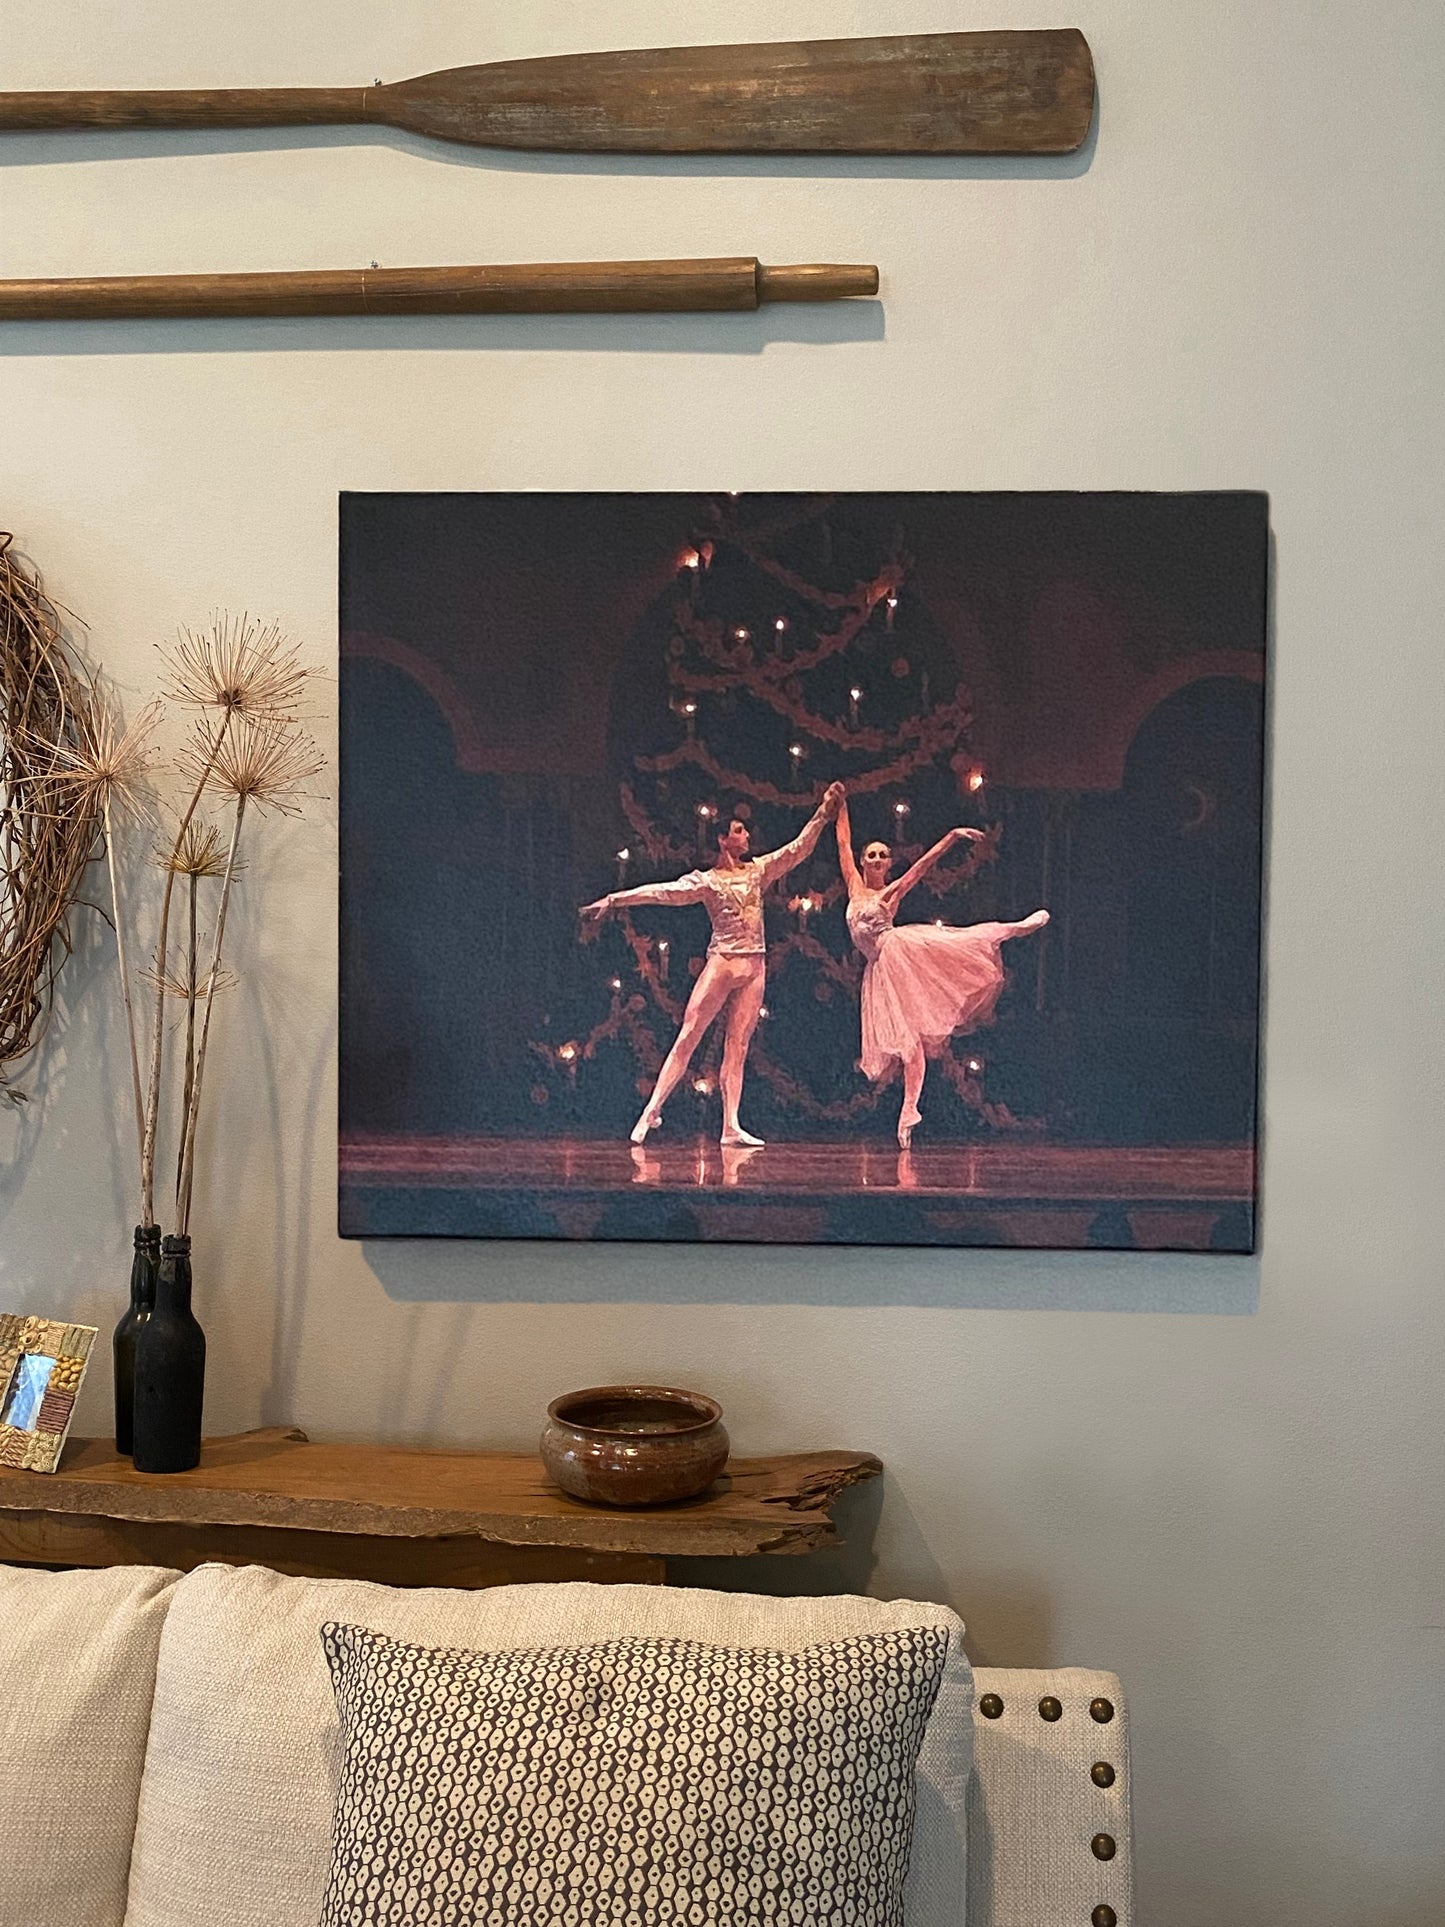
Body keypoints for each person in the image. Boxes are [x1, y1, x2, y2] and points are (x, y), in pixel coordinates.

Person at [581, 783, 845, 1146]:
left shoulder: (758, 871)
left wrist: (823, 812)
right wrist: (613, 900)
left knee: (737, 1046)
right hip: (722, 962)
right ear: (723, 840)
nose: (747, 834)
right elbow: (663, 892)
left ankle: (730, 1125)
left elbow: (797, 849)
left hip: (754, 965)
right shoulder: (707, 881)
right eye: (739, 830)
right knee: (689, 1035)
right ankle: (651, 1110)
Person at [835, 797, 1048, 1148]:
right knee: (907, 1044)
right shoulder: (854, 886)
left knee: (962, 942)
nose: (875, 859)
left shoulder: (892, 891)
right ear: (862, 861)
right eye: (870, 854)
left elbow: (923, 864)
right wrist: (838, 804)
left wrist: (951, 836)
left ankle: (1014, 928)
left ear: (888, 863)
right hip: (878, 970)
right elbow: (842, 841)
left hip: (898, 953)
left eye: (882, 855)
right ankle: (909, 1112)